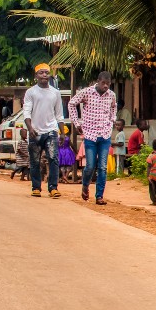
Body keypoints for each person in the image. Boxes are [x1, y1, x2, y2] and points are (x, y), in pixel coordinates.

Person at [68, 71, 117, 205]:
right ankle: (85, 186)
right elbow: (72, 104)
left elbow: (114, 107)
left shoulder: (112, 95)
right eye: (103, 83)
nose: (106, 86)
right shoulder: (87, 92)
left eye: (108, 84)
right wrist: (77, 123)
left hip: (105, 134)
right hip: (90, 134)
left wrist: (112, 120)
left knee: (102, 167)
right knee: (90, 166)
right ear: (98, 81)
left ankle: (99, 196)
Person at [24, 63, 64, 198]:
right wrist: (30, 128)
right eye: (41, 73)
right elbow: (27, 113)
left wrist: (62, 132)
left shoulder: (55, 93)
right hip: (35, 131)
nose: (44, 75)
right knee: (35, 160)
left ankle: (53, 188)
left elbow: (59, 114)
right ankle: (36, 187)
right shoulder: (31, 92)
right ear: (36, 75)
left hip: (51, 131)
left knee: (53, 159)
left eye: (46, 73)